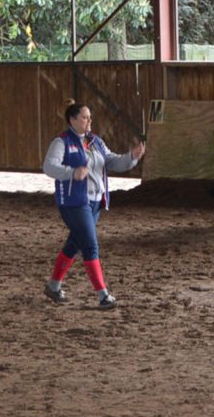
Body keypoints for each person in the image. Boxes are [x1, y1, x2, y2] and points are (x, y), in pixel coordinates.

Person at [42, 101, 145, 310]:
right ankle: (103, 295)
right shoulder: (61, 142)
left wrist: (131, 158)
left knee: (75, 244)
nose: (89, 121)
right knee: (90, 245)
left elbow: (112, 161)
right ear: (72, 120)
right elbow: (49, 166)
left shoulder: (95, 141)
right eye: (85, 117)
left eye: (89, 117)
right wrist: (72, 172)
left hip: (96, 202)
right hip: (74, 202)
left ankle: (53, 286)